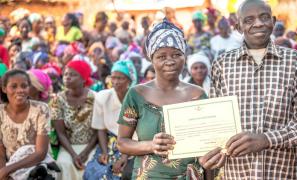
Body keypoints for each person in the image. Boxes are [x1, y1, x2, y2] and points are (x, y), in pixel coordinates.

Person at [199, 0, 297, 179]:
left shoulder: (296, 61)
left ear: (273, 20)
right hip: (237, 173)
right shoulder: (222, 65)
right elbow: (215, 122)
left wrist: (266, 139)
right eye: (249, 20)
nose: (258, 23)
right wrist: (210, 151)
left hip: (282, 173)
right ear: (238, 26)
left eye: (264, 17)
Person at [117, 18, 206, 179]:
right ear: (152, 59)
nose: (170, 61)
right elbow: (122, 142)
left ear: (184, 56)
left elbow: (208, 141)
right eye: (162, 56)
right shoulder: (136, 95)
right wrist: (151, 145)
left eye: (177, 54)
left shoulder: (197, 95)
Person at [84, 60, 137, 180]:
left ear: (129, 80)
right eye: (113, 78)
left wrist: (124, 156)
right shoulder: (102, 97)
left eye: (120, 78)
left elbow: (136, 133)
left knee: (120, 173)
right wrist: (104, 152)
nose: (116, 82)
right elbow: (101, 128)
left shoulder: (136, 99)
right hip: (110, 142)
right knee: (96, 171)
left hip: (133, 144)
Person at [0, 69, 57, 179]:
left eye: (24, 86)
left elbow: (41, 152)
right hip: (8, 165)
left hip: (36, 165)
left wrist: (8, 169)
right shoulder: (0, 112)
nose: (20, 90)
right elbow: (1, 152)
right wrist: (3, 173)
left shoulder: (41, 109)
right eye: (14, 86)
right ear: (4, 89)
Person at [51, 60, 97, 180]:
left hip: (91, 145)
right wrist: (73, 154)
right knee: (63, 164)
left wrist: (86, 152)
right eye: (66, 74)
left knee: (93, 165)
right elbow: (60, 132)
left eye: (73, 74)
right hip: (68, 146)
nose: (67, 77)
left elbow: (99, 130)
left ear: (83, 79)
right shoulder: (58, 100)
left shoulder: (96, 98)